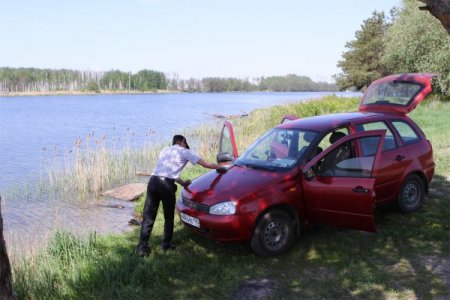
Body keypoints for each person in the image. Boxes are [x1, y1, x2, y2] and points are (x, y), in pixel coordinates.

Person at [137, 134, 226, 256]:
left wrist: (183, 183)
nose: (185, 145)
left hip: (153, 182)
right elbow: (204, 164)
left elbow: (168, 172)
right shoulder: (184, 152)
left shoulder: (165, 150)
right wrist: (221, 167)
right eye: (185, 143)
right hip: (166, 186)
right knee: (168, 217)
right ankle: (165, 245)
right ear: (182, 141)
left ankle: (142, 248)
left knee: (148, 215)